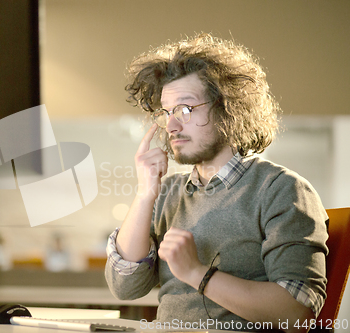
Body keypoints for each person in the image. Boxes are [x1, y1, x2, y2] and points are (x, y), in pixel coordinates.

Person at [105, 34, 328, 333]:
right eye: (165, 112)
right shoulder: (168, 192)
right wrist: (145, 194)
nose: (171, 125)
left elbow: (297, 314)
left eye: (185, 109)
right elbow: (124, 287)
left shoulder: (282, 190)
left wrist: (197, 273)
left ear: (227, 109)